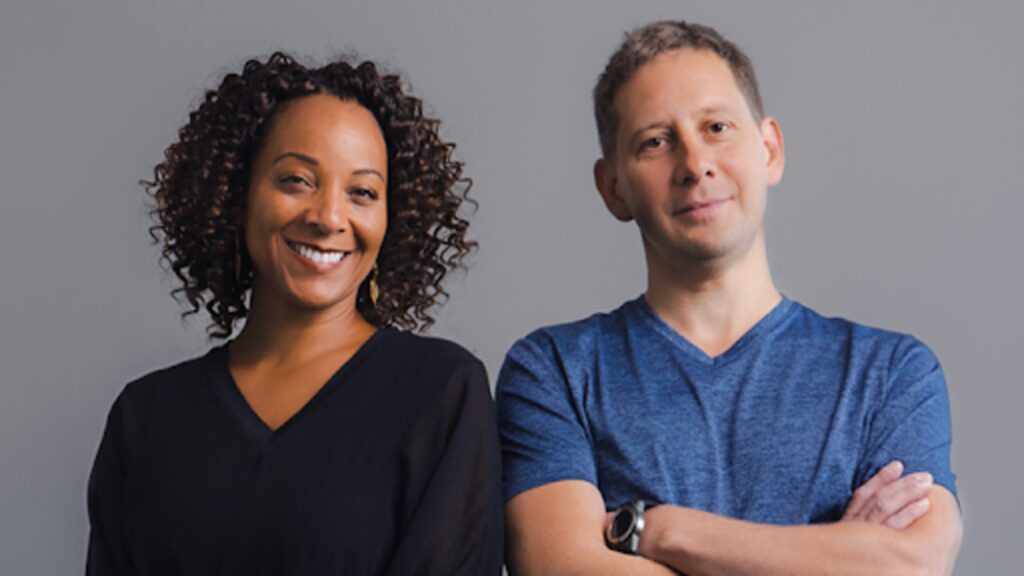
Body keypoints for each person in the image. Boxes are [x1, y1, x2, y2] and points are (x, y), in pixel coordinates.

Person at [497, 20, 962, 575]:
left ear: (770, 150)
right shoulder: (554, 371)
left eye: (716, 127)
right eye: (655, 142)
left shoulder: (890, 373)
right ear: (613, 188)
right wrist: (835, 555)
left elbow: (911, 565)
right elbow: (561, 567)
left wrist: (658, 530)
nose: (695, 165)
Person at [87, 53, 503, 575]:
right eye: (296, 180)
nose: (329, 217)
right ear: (237, 195)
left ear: (390, 219)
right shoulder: (146, 418)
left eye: (362, 192)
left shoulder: (440, 392)